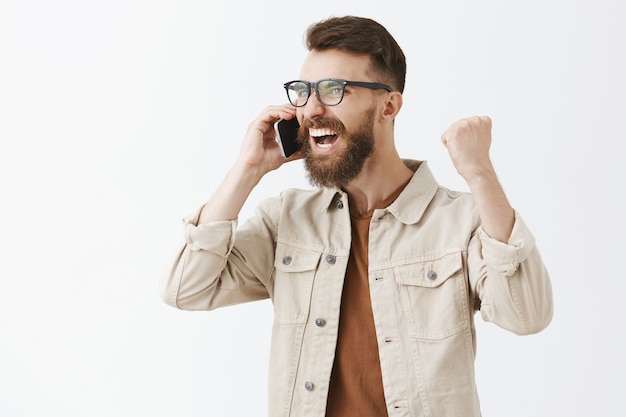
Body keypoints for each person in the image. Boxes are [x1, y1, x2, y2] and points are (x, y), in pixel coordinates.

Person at [160, 15, 553, 417]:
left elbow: (526, 314)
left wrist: (479, 174)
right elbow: (185, 288)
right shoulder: (287, 220)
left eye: (333, 90)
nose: (311, 109)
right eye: (303, 91)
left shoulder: (461, 220)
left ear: (388, 105)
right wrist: (247, 169)